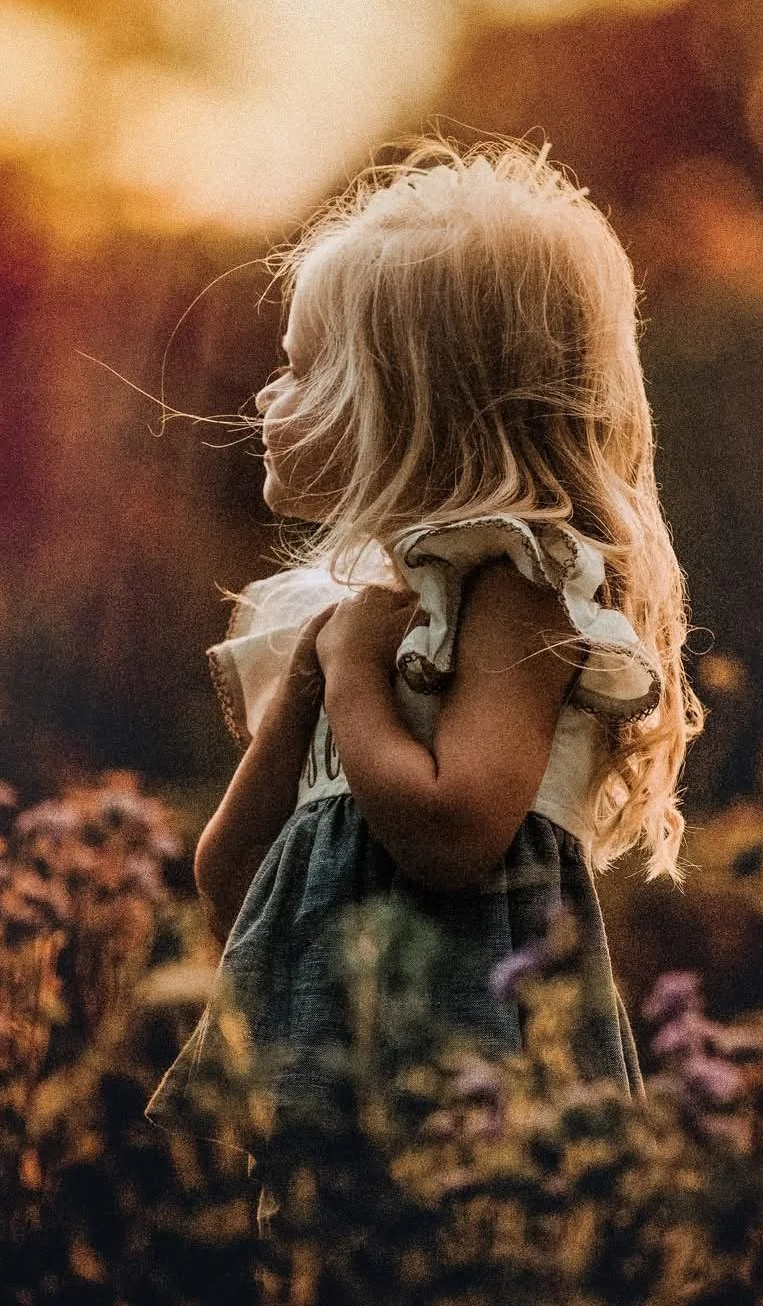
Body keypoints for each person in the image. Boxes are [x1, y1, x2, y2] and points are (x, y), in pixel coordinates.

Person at [143, 138, 703, 1166]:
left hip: (472, 1101)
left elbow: (451, 828)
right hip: (329, 1083)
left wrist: (351, 672)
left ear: (412, 399)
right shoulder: (347, 622)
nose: (269, 395)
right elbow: (230, 875)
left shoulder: (519, 589)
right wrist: (315, 678)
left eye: (305, 366)